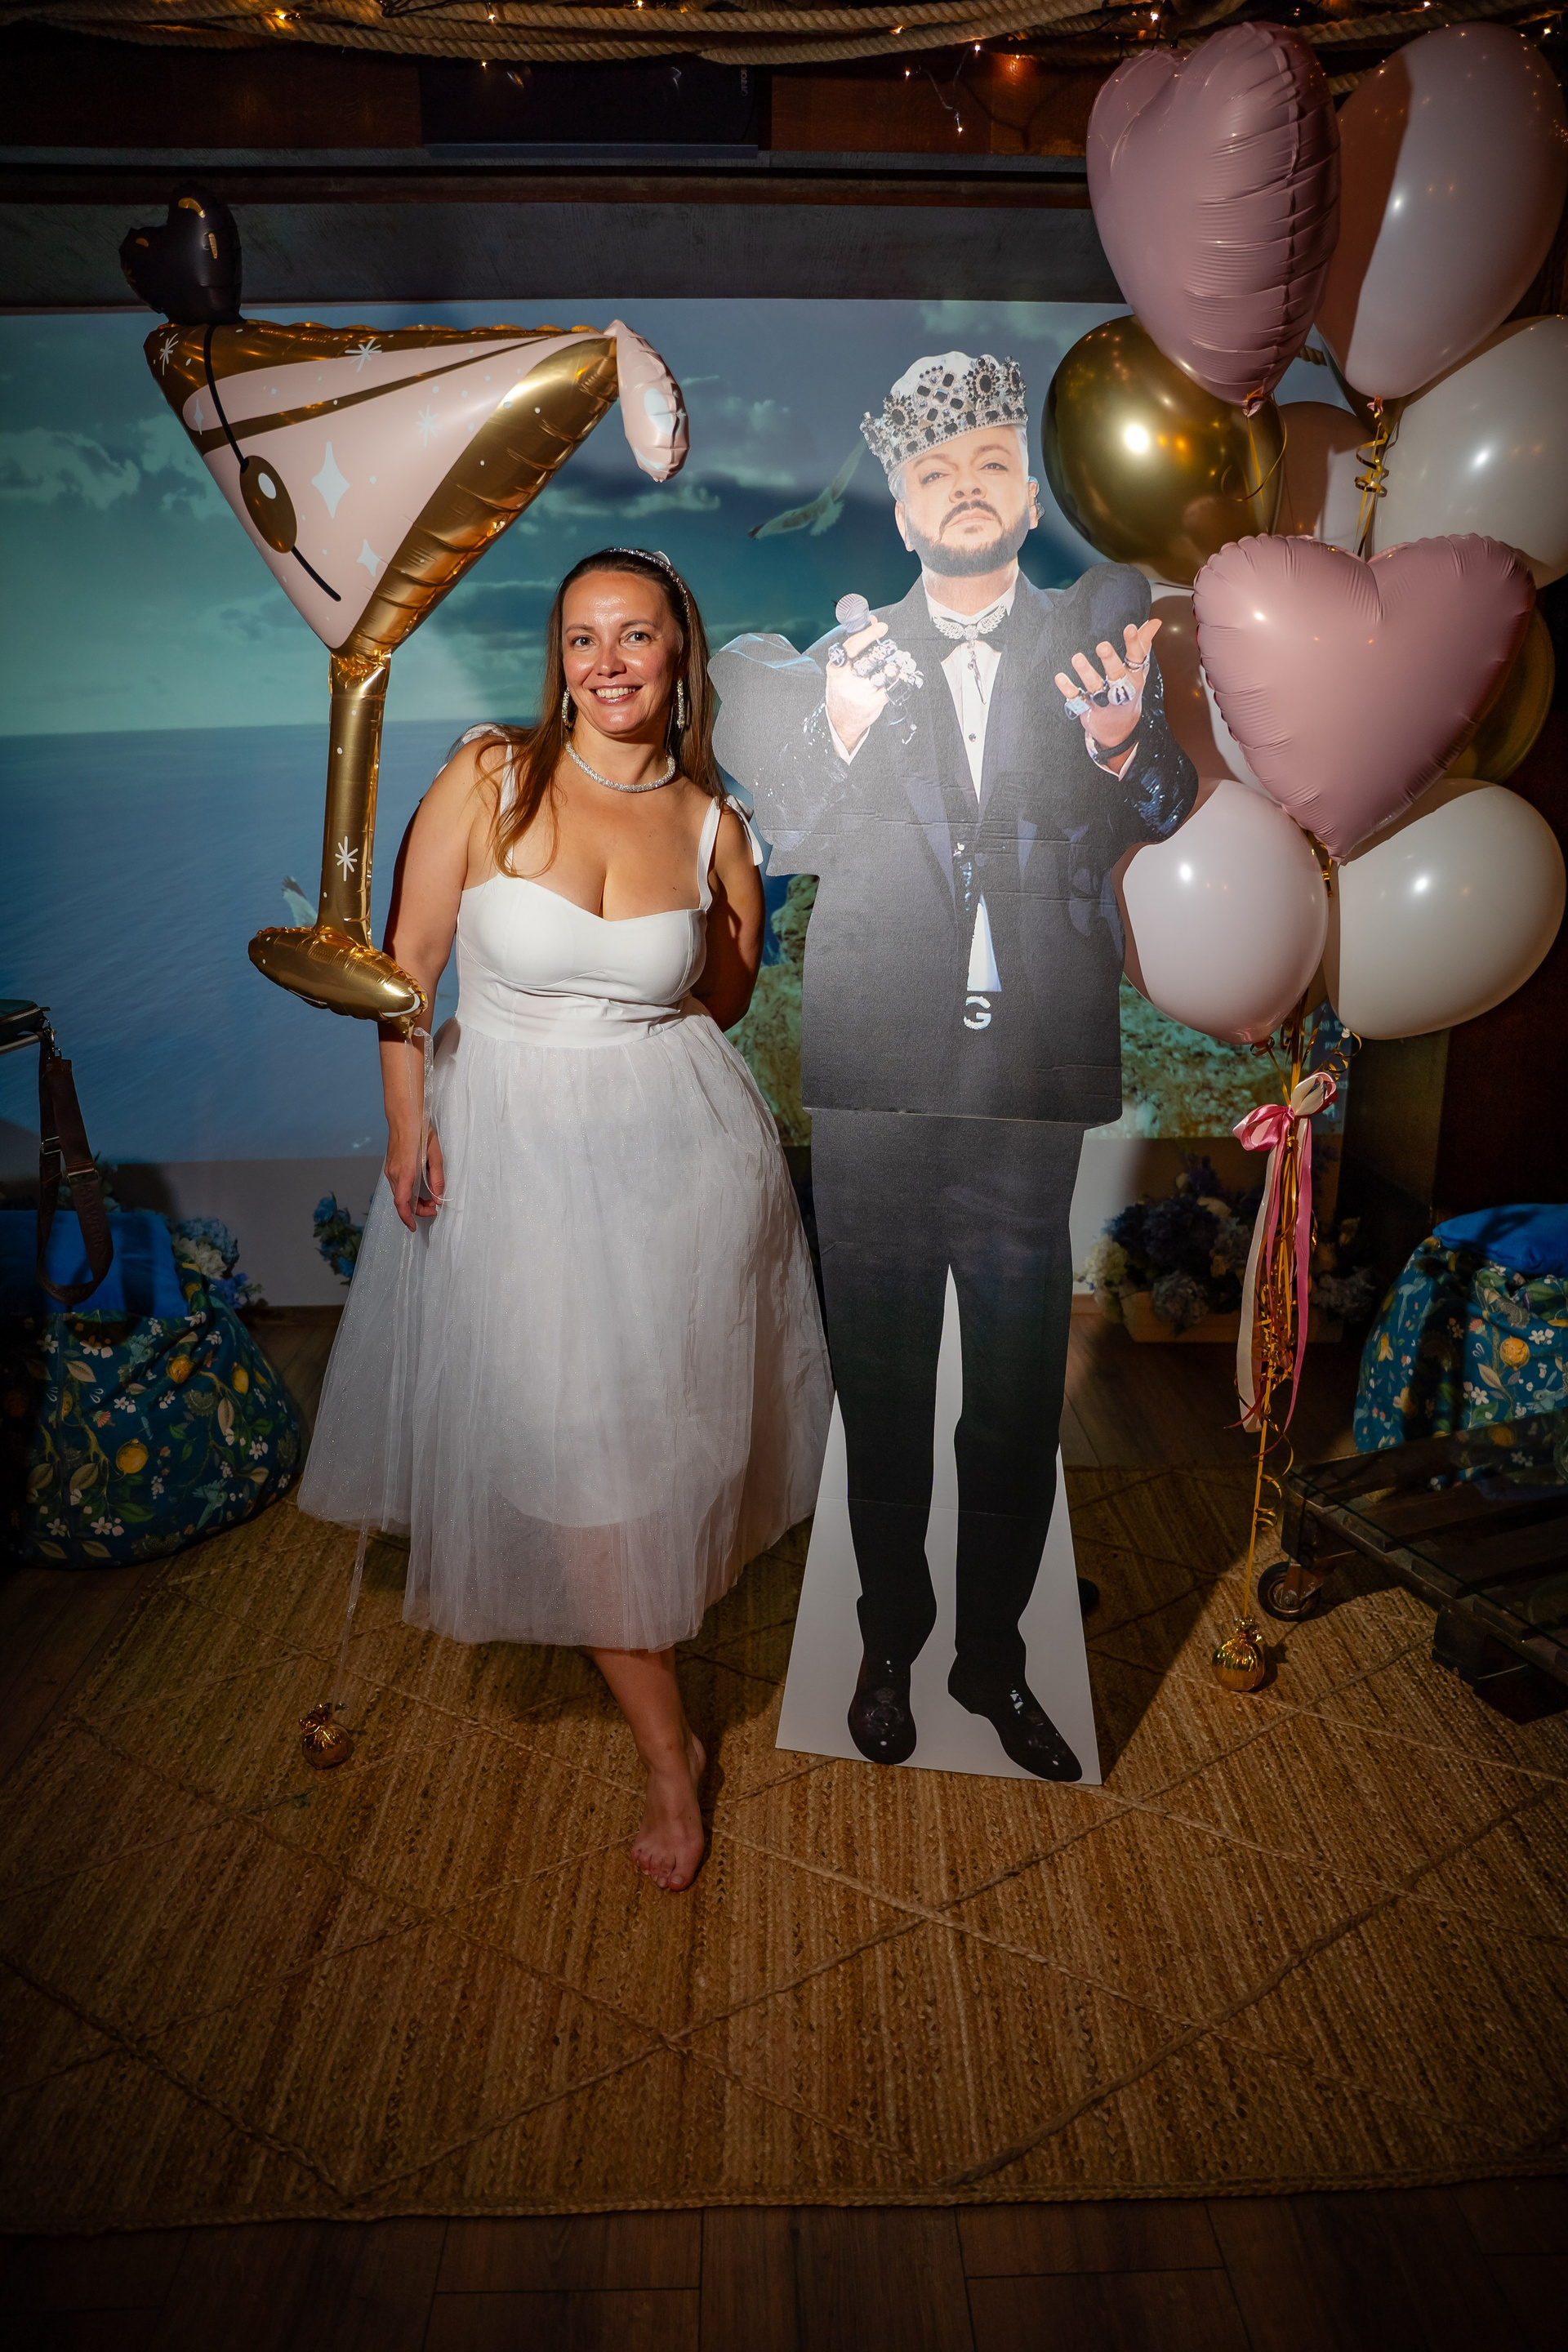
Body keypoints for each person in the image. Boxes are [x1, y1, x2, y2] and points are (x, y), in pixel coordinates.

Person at [299, 546, 832, 1893]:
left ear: (677, 651)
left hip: (677, 1166)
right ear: (559, 658)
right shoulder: (490, 777)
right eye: (582, 637)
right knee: (576, 1457)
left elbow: (722, 1001)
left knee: (652, 1449)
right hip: (511, 1161)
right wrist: (409, 1127)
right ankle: (669, 1754)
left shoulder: (712, 824)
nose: (606, 662)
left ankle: (655, 1681)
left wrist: (711, 915)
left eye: (634, 635)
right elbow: (406, 969)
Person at [711, 353, 1198, 1782]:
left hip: (1030, 1079)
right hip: (875, 1078)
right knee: (882, 1390)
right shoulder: (849, 659)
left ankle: (994, 1659)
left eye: (990, 463)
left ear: (1029, 496)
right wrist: (842, 730)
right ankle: (887, 1646)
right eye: (935, 472)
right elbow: (786, 838)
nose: (965, 487)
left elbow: (1168, 799)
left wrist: (1123, 742)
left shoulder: (1098, 641)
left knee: (1013, 1399)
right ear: (903, 512)